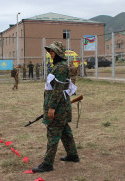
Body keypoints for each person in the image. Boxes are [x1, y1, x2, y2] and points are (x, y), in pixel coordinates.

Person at [32, 41, 79, 173]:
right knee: (65, 132)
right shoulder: (59, 66)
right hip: (61, 106)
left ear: (58, 53)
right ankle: (72, 155)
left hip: (58, 108)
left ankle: (47, 164)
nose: (50, 54)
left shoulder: (61, 67)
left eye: (52, 51)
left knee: (53, 134)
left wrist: (51, 107)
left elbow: (58, 89)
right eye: (50, 51)